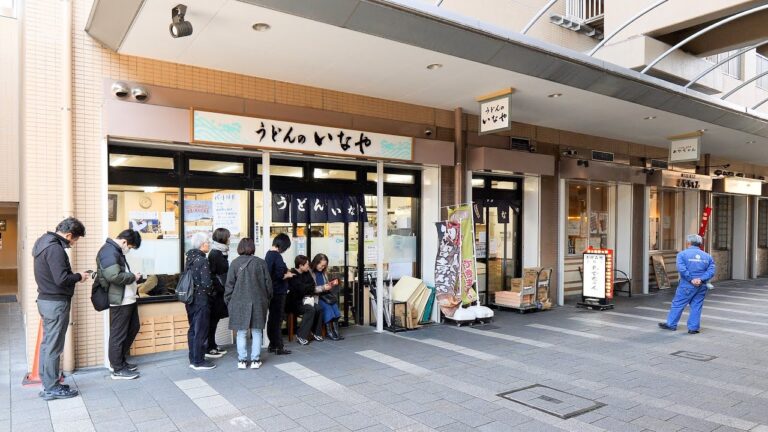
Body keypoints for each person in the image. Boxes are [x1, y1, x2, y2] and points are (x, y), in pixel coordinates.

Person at [33, 217, 90, 400]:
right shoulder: (55, 248)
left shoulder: (42, 241)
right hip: (55, 303)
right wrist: (79, 276)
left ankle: (48, 382)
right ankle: (51, 387)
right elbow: (62, 279)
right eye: (75, 240)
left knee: (48, 345)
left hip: (45, 300)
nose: (73, 244)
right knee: (53, 347)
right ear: (69, 235)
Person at [97, 229, 142, 380]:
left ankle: (120, 362)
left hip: (127, 298)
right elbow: (113, 276)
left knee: (133, 328)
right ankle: (117, 368)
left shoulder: (114, 251)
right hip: (120, 300)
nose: (129, 250)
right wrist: (133, 276)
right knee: (118, 334)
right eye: (130, 247)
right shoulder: (109, 251)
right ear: (124, 242)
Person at [224, 238, 272, 369]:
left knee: (241, 332)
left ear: (240, 248)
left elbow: (229, 286)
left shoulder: (234, 263)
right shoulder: (261, 263)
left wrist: (229, 301)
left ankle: (242, 361)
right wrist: (267, 300)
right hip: (258, 301)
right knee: (257, 331)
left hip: (239, 302)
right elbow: (269, 285)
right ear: (252, 248)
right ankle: (256, 360)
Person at [658, 234, 716, 334]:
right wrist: (701, 279)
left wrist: (691, 279)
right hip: (701, 285)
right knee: (696, 306)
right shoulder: (707, 256)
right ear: (700, 244)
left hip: (686, 285)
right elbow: (711, 271)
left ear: (688, 243)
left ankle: (671, 324)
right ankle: (693, 328)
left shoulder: (682, 254)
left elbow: (682, 269)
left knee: (678, 304)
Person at [186, 232, 216, 370]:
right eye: (207, 242)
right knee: (201, 330)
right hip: (201, 299)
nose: (209, 244)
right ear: (202, 244)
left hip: (190, 299)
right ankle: (199, 361)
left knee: (193, 329)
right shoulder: (203, 260)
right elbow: (206, 283)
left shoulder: (190, 258)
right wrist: (212, 292)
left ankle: (193, 358)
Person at [287, 255, 328, 345]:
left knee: (319, 308)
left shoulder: (306, 273)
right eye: (306, 265)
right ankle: (301, 335)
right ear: (300, 265)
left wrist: (305, 288)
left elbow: (312, 285)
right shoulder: (292, 274)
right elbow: (299, 290)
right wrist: (306, 288)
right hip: (295, 303)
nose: (308, 267)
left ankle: (316, 333)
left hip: (307, 300)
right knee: (310, 309)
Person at [265, 233, 294, 355]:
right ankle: (278, 346)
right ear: (282, 245)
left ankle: (272, 344)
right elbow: (278, 275)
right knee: (277, 319)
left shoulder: (268, 254)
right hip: (278, 292)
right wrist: (287, 275)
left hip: (271, 292)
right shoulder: (276, 256)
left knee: (272, 319)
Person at [205, 228, 231, 359]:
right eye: (228, 237)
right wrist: (220, 288)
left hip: (221, 291)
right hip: (216, 293)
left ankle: (213, 345)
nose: (229, 239)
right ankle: (210, 347)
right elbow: (212, 274)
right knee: (213, 320)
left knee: (215, 320)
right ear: (223, 238)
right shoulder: (215, 253)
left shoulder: (222, 252)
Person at [311, 254, 344, 341]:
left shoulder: (323, 273)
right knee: (328, 308)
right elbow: (310, 289)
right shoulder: (311, 273)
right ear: (316, 263)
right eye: (321, 265)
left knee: (335, 308)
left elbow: (326, 285)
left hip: (325, 296)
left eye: (324, 265)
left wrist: (331, 284)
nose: (323, 267)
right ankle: (329, 332)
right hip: (316, 297)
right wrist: (323, 287)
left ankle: (336, 331)